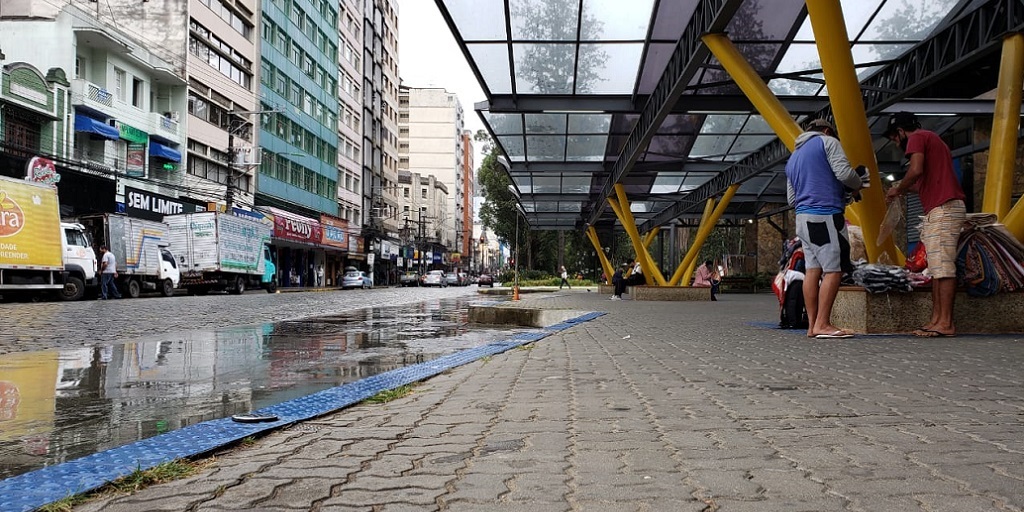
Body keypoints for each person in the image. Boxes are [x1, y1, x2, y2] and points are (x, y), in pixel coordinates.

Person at [885, 111, 966, 338]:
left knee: (943, 268)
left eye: (894, 137)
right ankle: (936, 320)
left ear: (901, 131)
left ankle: (945, 323)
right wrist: (900, 190)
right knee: (937, 268)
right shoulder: (934, 140)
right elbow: (921, 183)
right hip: (939, 208)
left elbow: (916, 169)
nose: (896, 143)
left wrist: (898, 188)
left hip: (944, 208)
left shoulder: (918, 137)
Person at [785, 119, 865, 339]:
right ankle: (823, 324)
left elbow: (792, 198)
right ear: (828, 131)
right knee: (834, 269)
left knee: (812, 270)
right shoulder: (828, 142)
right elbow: (845, 174)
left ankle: (812, 326)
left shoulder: (793, 158)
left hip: (803, 219)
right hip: (825, 217)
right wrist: (858, 184)